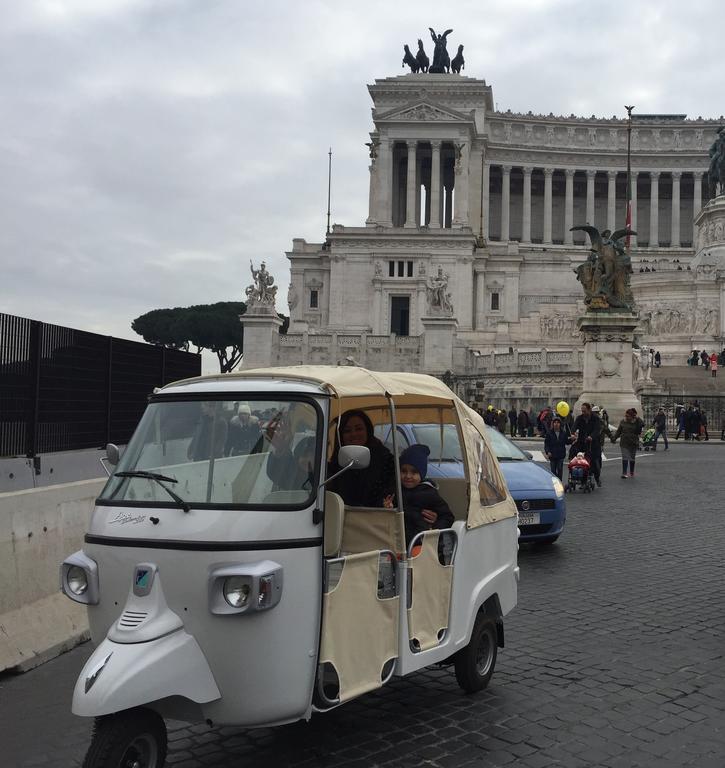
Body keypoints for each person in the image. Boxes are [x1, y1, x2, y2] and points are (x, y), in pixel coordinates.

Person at [384, 444, 454, 544]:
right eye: (404, 471)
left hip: (420, 542)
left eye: (414, 472)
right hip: (396, 541)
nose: (408, 476)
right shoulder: (395, 490)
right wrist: (387, 508)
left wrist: (434, 529)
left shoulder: (429, 493)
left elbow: (447, 516)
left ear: (422, 473)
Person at [327, 410, 395, 507]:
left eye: (359, 429)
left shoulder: (386, 460)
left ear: (368, 430)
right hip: (340, 517)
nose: (353, 434)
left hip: (376, 517)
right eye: (347, 431)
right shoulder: (334, 465)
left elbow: (391, 494)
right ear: (340, 436)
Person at [571, 402, 602, 486]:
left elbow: (597, 429)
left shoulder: (595, 418)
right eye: (582, 411)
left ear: (589, 410)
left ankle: (597, 478)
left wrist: (591, 436)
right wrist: (573, 433)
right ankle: (583, 480)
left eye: (585, 411)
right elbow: (574, 426)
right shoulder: (580, 418)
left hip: (593, 444)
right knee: (582, 462)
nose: (583, 413)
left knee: (595, 463)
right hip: (582, 443)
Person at [611, 408, 644, 478]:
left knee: (632, 458)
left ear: (632, 416)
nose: (626, 417)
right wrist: (614, 438)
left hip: (633, 442)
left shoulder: (636, 422)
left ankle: (631, 471)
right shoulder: (623, 421)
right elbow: (619, 431)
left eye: (628, 416)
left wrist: (637, 418)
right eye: (626, 416)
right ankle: (624, 473)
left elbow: (642, 424)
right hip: (624, 442)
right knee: (625, 457)